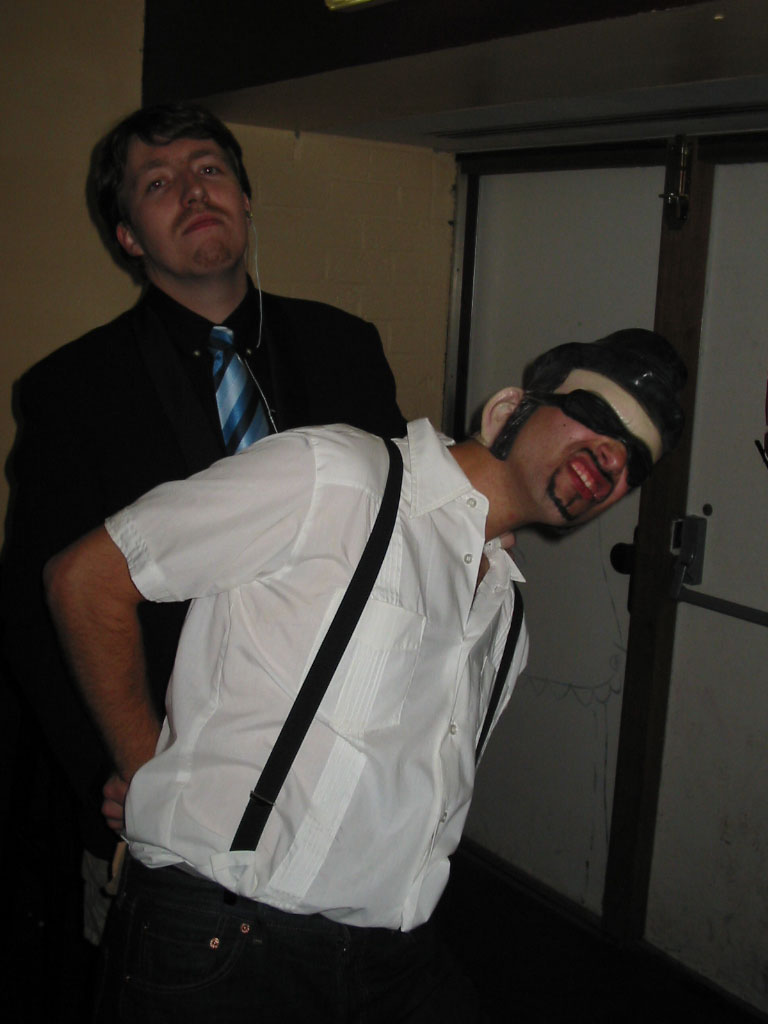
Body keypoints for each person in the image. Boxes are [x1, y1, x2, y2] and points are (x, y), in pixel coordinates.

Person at [45, 328, 686, 1023]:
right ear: (511, 408)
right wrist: (147, 773)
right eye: (595, 416)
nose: (613, 458)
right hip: (225, 937)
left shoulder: (506, 618)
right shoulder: (339, 476)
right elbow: (89, 579)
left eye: (635, 462)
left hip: (388, 956)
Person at [0, 102, 405, 1004]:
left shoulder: (346, 348)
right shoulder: (71, 389)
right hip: (167, 768)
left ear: (246, 199)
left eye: (209, 169)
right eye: (158, 183)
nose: (192, 192)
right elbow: (35, 609)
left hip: (332, 763)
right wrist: (116, 768)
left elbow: (392, 540)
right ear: (127, 236)